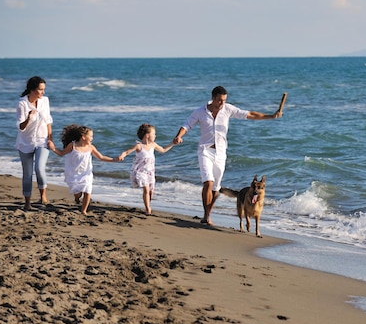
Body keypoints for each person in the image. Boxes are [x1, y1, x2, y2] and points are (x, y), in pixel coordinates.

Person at [172, 86, 282, 225]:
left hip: (221, 153)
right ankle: (206, 216)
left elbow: (249, 114)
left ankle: (208, 214)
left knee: (216, 189)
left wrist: (271, 116)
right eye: (219, 100)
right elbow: (187, 125)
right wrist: (179, 136)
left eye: (224, 100)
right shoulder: (200, 112)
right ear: (213, 98)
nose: (222, 103)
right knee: (208, 183)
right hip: (205, 150)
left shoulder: (228, 109)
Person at [48, 124, 119, 215]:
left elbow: (101, 157)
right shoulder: (72, 145)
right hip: (73, 173)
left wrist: (114, 159)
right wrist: (53, 148)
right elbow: (62, 153)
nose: (92, 138)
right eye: (91, 136)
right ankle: (77, 198)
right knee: (78, 194)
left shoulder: (90, 147)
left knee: (87, 190)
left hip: (86, 174)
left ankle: (83, 210)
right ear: (83, 137)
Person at [15, 76, 54, 211]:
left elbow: (48, 120)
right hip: (25, 142)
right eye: (40, 90)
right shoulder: (22, 104)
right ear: (32, 90)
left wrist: (50, 139)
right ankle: (27, 202)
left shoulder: (45, 101)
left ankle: (43, 196)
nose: (43, 92)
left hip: (42, 140)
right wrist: (28, 118)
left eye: (44, 89)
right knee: (27, 173)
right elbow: (20, 127)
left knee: (39, 168)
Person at [118, 123, 174, 215]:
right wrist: (122, 155)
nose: (155, 135)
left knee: (151, 191)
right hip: (140, 172)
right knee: (146, 189)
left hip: (150, 172)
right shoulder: (139, 146)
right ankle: (148, 209)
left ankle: (148, 204)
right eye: (154, 134)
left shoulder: (153, 145)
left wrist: (173, 143)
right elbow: (127, 151)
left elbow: (163, 150)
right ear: (147, 135)